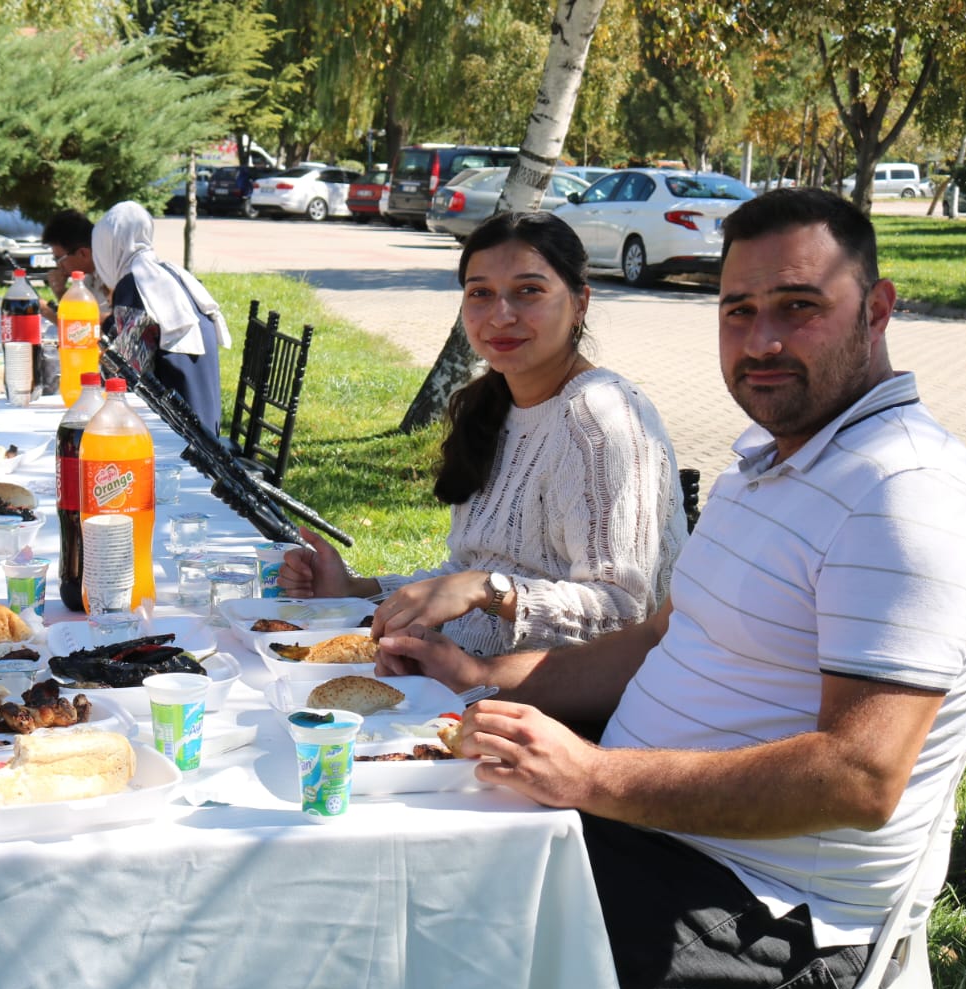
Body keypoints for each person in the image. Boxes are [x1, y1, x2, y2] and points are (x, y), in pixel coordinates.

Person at [376, 188, 966, 989]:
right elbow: (656, 636)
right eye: (738, 310)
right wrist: (483, 682)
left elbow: (858, 776)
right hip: (643, 831)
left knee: (403, 970)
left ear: (879, 309)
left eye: (799, 307)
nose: (763, 341)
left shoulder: (904, 494)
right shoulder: (769, 463)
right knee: (370, 881)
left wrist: (593, 777)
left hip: (770, 912)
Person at [280, 212, 687, 657]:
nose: (501, 315)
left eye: (528, 291)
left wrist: (489, 591)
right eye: (481, 294)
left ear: (580, 303)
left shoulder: (602, 418)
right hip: (453, 672)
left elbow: (625, 612)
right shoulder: (491, 405)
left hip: (549, 703)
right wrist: (359, 588)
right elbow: (467, 572)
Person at [92, 200, 231, 434]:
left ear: (107, 248)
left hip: (180, 431)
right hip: (205, 420)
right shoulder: (169, 273)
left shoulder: (133, 286)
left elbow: (123, 376)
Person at [41, 208, 110, 324]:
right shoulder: (88, 277)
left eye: (59, 258)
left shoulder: (111, 276)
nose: (58, 265)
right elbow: (78, 313)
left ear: (83, 254)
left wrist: (47, 312)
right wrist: (61, 292)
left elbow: (105, 326)